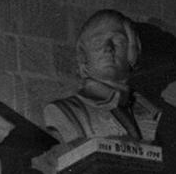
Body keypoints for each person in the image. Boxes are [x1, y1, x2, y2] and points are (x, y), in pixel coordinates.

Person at [43, 9, 162, 146]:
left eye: (118, 41)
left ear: (132, 51)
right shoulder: (66, 111)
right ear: (84, 56)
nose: (108, 48)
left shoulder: (149, 112)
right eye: (98, 41)